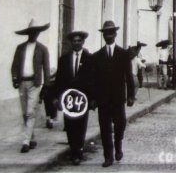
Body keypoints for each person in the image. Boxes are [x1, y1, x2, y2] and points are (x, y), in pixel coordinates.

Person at [94, 21, 135, 168]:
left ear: (116, 34)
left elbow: (129, 76)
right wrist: (93, 98)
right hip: (103, 99)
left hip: (118, 98)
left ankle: (118, 145)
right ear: (103, 35)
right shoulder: (97, 56)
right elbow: (94, 79)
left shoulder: (123, 54)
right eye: (106, 33)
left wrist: (131, 95)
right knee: (104, 128)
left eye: (111, 32)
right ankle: (108, 156)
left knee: (120, 124)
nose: (108, 35)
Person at [10, 19, 51, 154]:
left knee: (30, 111)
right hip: (22, 82)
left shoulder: (43, 49)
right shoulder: (21, 48)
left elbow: (46, 69)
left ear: (39, 33)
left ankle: (26, 141)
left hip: (35, 83)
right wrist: (15, 78)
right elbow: (14, 66)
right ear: (28, 33)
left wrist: (46, 86)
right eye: (32, 32)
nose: (34, 34)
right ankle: (32, 137)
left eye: (36, 32)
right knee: (24, 112)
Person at [53, 30, 94, 165]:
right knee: (69, 124)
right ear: (71, 42)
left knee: (81, 124)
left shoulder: (89, 58)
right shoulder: (64, 59)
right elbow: (59, 80)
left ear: (83, 42)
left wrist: (93, 98)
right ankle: (73, 148)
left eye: (79, 40)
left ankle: (78, 151)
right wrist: (57, 98)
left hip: (83, 98)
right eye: (74, 41)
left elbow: (94, 80)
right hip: (68, 98)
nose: (76, 43)